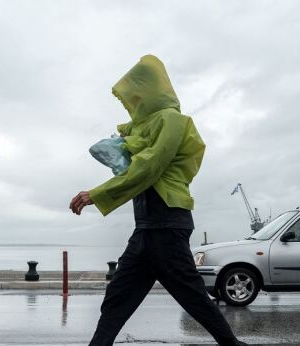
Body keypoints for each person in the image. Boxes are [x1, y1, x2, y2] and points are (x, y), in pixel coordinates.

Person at [70, 55, 246, 346]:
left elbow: (149, 167)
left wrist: (97, 194)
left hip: (167, 225)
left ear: (151, 90)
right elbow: (132, 155)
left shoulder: (173, 121)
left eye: (136, 95)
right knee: (117, 298)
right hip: (146, 228)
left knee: (194, 298)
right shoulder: (142, 129)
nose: (133, 102)